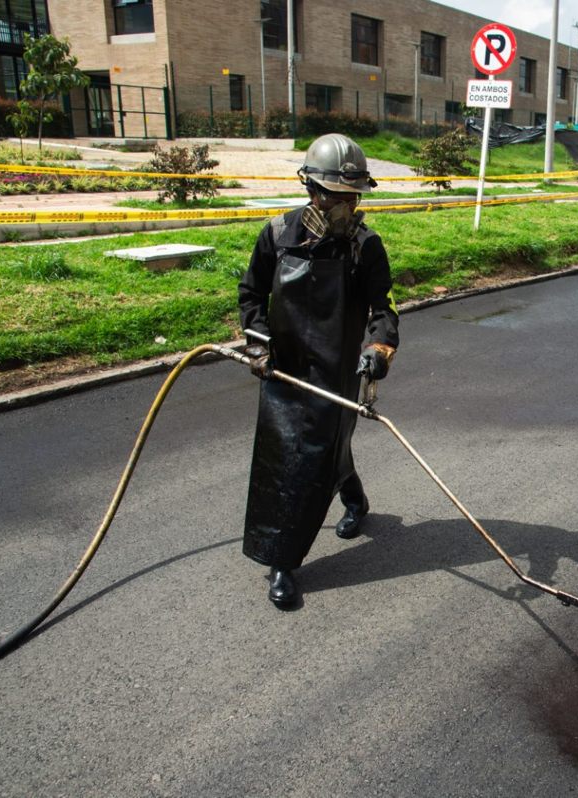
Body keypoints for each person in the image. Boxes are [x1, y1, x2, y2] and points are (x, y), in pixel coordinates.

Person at [237, 133, 399, 608]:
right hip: (282, 372)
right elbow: (251, 297)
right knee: (286, 461)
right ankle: (301, 546)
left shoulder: (365, 247)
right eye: (335, 196)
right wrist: (259, 347)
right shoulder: (275, 234)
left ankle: (285, 561)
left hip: (336, 374)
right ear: (311, 190)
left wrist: (378, 349)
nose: (345, 207)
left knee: (317, 454)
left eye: (353, 197)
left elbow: (383, 311)